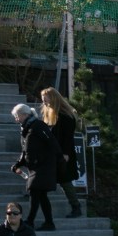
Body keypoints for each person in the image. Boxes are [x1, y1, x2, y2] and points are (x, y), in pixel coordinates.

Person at [11, 104, 59, 231]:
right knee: (41, 194)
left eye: (17, 116)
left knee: (35, 190)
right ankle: (49, 222)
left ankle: (30, 221)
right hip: (36, 166)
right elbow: (26, 150)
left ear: (25, 114)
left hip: (43, 165)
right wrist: (18, 164)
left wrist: (56, 158)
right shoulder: (27, 128)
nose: (16, 119)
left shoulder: (38, 126)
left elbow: (52, 143)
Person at [38, 87, 84, 218]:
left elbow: (67, 138)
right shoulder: (53, 114)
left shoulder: (65, 116)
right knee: (57, 179)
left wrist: (66, 154)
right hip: (53, 153)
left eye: (46, 101)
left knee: (65, 180)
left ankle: (76, 206)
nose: (45, 104)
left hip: (62, 153)